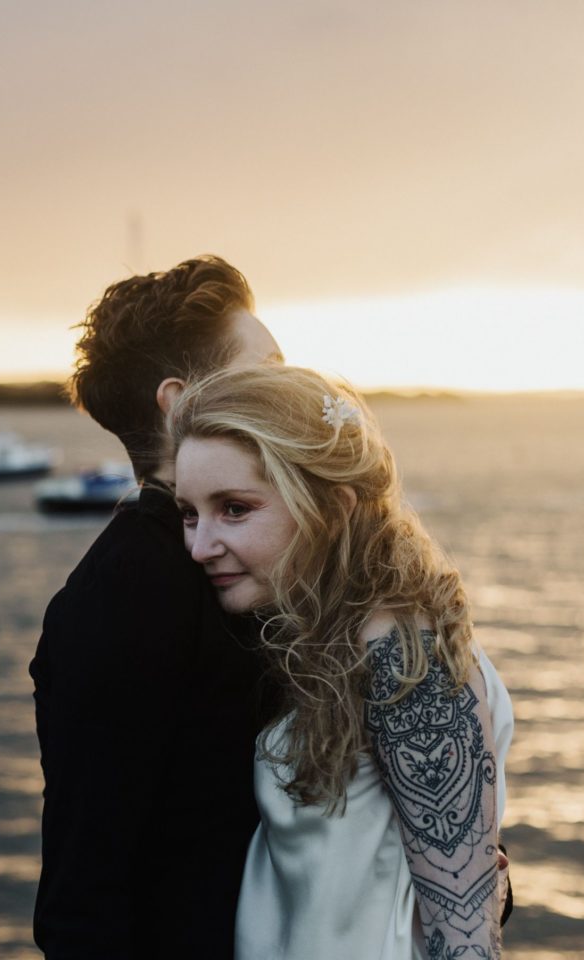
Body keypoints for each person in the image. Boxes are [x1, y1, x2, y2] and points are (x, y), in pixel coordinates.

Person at [169, 365, 514, 959]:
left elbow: (464, 929)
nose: (200, 546)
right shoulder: (319, 635)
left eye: (234, 509)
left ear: (332, 507)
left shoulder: (403, 653)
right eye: (189, 513)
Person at [29, 255, 284, 957]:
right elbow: (81, 901)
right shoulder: (117, 602)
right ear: (182, 402)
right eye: (268, 366)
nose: (294, 384)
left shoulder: (267, 560)